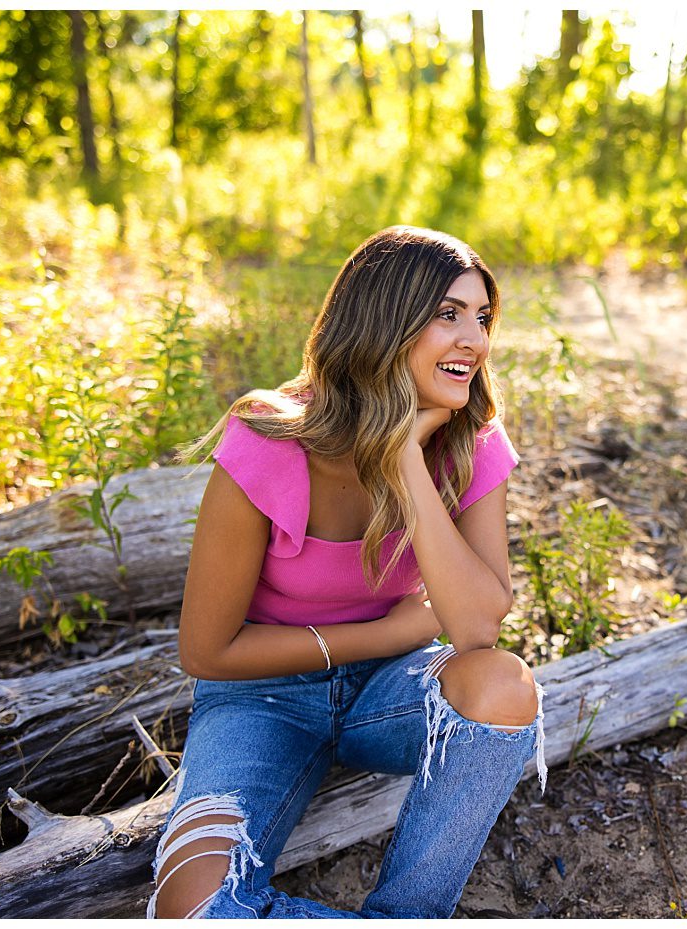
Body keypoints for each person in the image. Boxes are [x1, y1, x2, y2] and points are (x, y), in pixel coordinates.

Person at [148, 226, 545, 918]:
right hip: (257, 700)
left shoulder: (472, 439)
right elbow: (206, 651)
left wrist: (405, 461)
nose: (475, 341)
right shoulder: (269, 441)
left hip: (388, 695)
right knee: (193, 905)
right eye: (448, 314)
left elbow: (479, 625)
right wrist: (388, 632)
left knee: (504, 689)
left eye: (482, 318)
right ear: (385, 320)